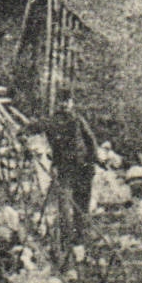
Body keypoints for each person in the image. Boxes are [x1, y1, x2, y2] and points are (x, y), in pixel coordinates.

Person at [39, 95, 98, 264]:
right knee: (66, 205)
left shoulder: (78, 120)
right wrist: (22, 134)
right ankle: (70, 240)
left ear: (71, 105)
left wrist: (94, 159)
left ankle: (79, 240)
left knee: (81, 206)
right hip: (67, 169)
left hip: (83, 168)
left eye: (67, 103)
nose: (65, 106)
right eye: (62, 103)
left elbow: (90, 140)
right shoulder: (52, 122)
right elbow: (34, 126)